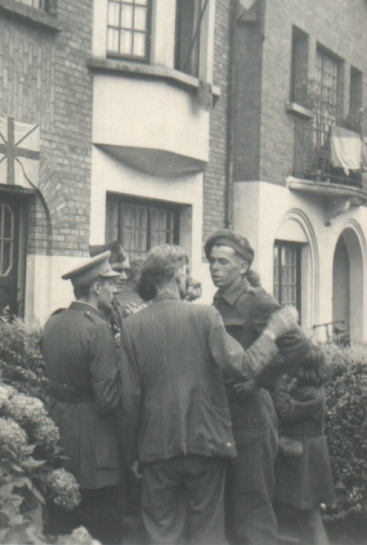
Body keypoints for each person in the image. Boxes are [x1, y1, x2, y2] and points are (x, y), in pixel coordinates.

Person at [120, 243, 300, 545]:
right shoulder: (206, 316)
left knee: (161, 532)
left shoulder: (131, 326)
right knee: (207, 534)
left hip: (156, 446)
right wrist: (272, 332)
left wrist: (131, 455)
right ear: (180, 274)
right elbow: (244, 366)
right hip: (205, 444)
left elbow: (130, 400)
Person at [205, 229, 310, 545]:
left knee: (254, 503)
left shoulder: (260, 302)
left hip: (251, 414)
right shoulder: (216, 303)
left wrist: (259, 381)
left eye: (223, 261)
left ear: (242, 265)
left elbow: (298, 344)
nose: (214, 267)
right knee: (228, 505)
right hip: (223, 414)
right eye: (212, 261)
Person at [41, 252, 123, 545]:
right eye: (111, 285)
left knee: (62, 520)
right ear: (97, 287)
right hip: (94, 440)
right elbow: (108, 399)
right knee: (100, 522)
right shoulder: (97, 327)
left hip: (58, 429)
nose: (115, 292)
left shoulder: (54, 321)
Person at [274, 346, 334, 545]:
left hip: (307, 457)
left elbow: (285, 410)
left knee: (311, 516)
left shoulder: (310, 394)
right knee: (303, 513)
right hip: (308, 454)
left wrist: (280, 380)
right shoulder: (312, 390)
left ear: (304, 367)